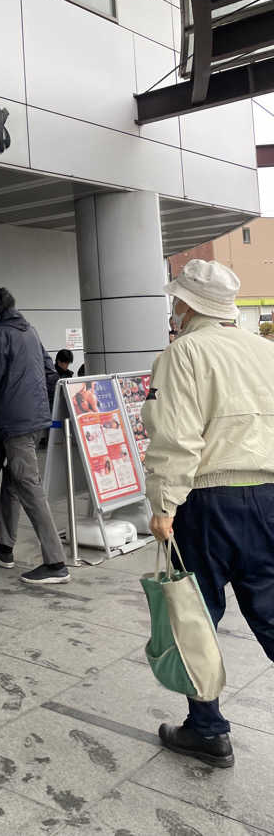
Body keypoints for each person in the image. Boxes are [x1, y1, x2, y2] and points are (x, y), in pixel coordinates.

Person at [143, 259, 274, 768]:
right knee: (269, 612)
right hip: (268, 498)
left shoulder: (184, 353)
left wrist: (163, 506)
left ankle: (207, 730)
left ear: (186, 304)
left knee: (196, 615)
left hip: (208, 500)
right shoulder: (265, 350)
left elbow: (175, 437)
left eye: (176, 299)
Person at [0, 287, 69, 585]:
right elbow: (51, 373)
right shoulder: (31, 332)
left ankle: (55, 562)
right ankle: (5, 547)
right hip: (36, 421)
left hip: (16, 423)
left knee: (28, 486)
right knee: (12, 483)